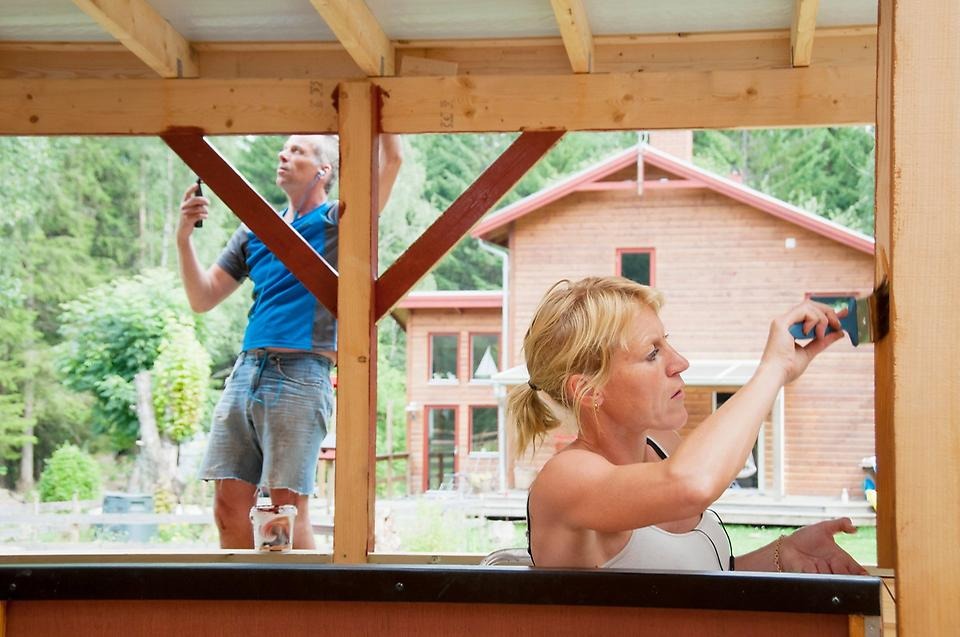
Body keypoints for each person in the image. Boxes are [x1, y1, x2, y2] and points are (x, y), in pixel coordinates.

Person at [510, 276, 868, 574]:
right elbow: (692, 484)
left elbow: (683, 587)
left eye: (668, 343)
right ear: (588, 390)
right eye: (652, 353)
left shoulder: (662, 443)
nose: (680, 362)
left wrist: (785, 554)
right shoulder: (566, 479)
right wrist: (775, 369)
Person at [177, 134, 402, 549]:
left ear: (324, 171)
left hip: (300, 372)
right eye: (283, 148)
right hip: (246, 371)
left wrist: (384, 115)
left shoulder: (337, 223)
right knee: (228, 507)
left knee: (284, 512)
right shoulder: (254, 230)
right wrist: (183, 238)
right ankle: (244, 610)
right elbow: (202, 296)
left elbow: (392, 163)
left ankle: (303, 614)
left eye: (298, 150)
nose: (283, 154)